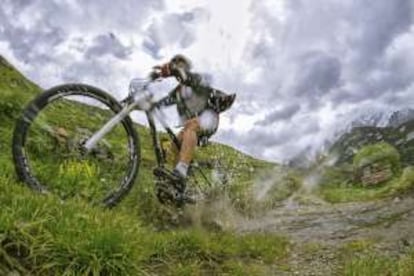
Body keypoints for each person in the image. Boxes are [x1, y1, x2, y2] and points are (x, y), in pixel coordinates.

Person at [150, 54, 235, 199]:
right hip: (190, 127)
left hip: (208, 120)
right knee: (174, 145)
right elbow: (160, 104)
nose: (176, 66)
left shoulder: (197, 80)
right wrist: (142, 103)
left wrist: (172, 70)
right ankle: (179, 188)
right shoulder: (177, 92)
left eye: (180, 64)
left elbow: (187, 78)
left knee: (191, 125)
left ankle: (181, 170)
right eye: (174, 63)